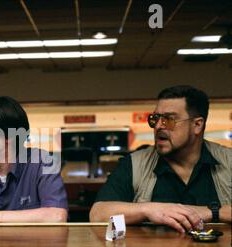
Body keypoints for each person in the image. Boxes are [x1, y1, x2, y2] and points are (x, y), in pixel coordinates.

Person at [90, 85, 231, 233]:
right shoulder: (134, 164)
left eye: (169, 119)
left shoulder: (228, 161)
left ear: (197, 125)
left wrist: (212, 212)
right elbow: (97, 214)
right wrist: (148, 209)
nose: (158, 126)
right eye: (155, 119)